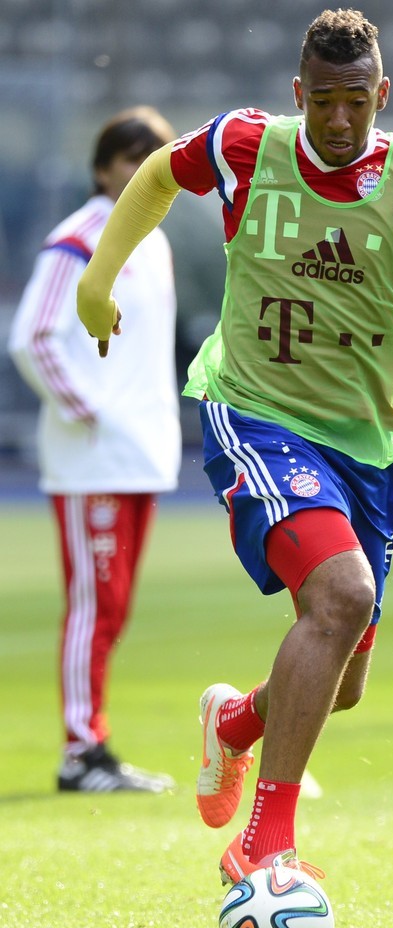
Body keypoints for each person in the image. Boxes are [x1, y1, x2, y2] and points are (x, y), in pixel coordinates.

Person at [76, 9, 393, 885]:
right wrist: (99, 276)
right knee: (342, 595)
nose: (340, 119)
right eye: (323, 101)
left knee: (342, 681)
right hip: (255, 413)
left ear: (382, 94)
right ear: (298, 93)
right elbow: (158, 175)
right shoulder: (246, 146)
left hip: (365, 449)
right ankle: (264, 844)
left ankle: (235, 722)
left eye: (356, 101)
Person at [9, 106, 180, 791]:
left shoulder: (154, 242)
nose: (144, 175)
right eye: (133, 160)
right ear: (104, 167)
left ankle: (93, 748)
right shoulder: (78, 238)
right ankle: (81, 754)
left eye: (157, 162)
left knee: (113, 608)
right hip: (94, 459)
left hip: (140, 455)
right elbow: (33, 338)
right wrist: (92, 413)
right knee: (95, 607)